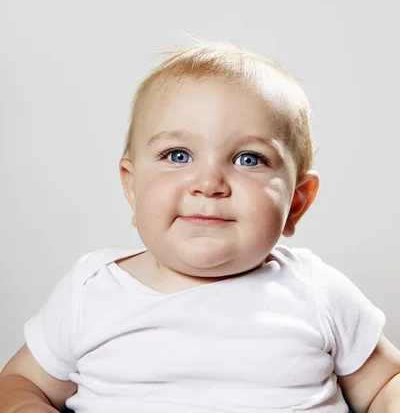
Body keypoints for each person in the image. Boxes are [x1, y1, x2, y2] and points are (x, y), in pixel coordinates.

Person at [1, 42, 399, 413]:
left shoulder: (318, 292)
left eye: (248, 159)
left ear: (296, 201)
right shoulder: (90, 291)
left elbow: (387, 384)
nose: (209, 183)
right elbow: (19, 383)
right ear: (132, 186)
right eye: (177, 155)